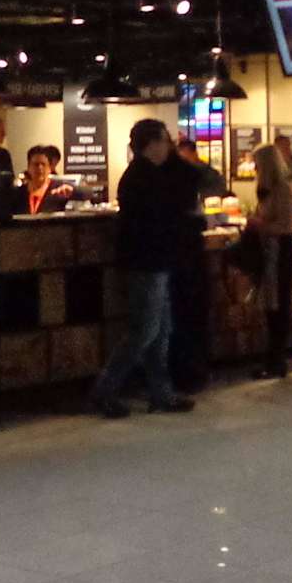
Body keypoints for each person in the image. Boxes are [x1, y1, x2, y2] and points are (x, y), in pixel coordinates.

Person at [90, 120, 194, 418]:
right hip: (148, 262)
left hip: (150, 261)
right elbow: (160, 217)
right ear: (152, 144)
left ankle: (161, 393)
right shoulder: (144, 178)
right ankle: (105, 390)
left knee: (159, 331)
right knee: (145, 331)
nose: (169, 147)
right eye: (165, 141)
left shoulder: (140, 175)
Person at [168, 135, 225, 394]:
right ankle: (192, 373)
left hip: (177, 266)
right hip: (189, 265)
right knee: (191, 319)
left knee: (178, 321)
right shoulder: (190, 182)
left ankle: (182, 374)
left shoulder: (170, 180)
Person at [251, 139, 292, 378]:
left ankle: (276, 359)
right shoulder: (266, 189)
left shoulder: (281, 189)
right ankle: (273, 358)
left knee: (278, 303)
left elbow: (285, 225)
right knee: (271, 304)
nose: (254, 168)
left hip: (280, 249)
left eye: (257, 164)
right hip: (271, 248)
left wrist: (259, 225)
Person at [22, 145, 75, 215]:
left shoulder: (59, 190)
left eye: (43, 164)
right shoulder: (18, 193)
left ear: (50, 168)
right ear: (28, 167)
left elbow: (86, 194)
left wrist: (73, 191)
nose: (40, 168)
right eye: (36, 164)